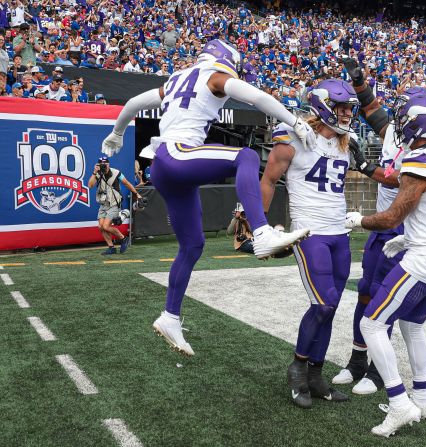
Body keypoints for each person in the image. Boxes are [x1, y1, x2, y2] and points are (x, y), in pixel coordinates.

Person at [100, 39, 315, 357]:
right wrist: (294, 120)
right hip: (178, 154)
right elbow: (256, 97)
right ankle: (261, 232)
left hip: (164, 167)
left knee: (193, 245)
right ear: (227, 60)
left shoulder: (175, 78)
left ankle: (170, 317)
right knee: (245, 157)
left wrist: (117, 133)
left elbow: (132, 103)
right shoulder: (216, 76)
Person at [344, 91, 426, 438]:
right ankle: (424, 397)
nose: (400, 123)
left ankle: (400, 403)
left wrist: (359, 220)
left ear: (420, 122)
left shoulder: (421, 160)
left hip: (424, 263)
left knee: (372, 325)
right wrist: (409, 237)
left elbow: (391, 217)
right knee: (413, 327)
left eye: (405, 118)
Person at [261, 78, 358, 409]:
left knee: (331, 309)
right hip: (309, 232)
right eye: (341, 107)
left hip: (339, 233)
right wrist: (260, 226)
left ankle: (316, 376)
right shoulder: (293, 138)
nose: (346, 114)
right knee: (323, 304)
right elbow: (268, 180)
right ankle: (298, 367)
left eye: (349, 108)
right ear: (321, 105)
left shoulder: (347, 144)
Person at [332, 60, 417, 397]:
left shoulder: (424, 144)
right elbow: (370, 108)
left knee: (384, 298)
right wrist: (358, 81)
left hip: (401, 230)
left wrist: (366, 166)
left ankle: (378, 371)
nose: (396, 115)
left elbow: (402, 179)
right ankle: (356, 360)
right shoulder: (395, 132)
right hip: (380, 228)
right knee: (364, 291)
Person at [87, 156, 141, 255]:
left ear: (109, 164)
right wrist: (95, 172)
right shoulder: (98, 174)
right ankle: (111, 247)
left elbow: (126, 183)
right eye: (102, 164)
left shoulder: (116, 173)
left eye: (106, 164)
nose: (104, 166)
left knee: (106, 226)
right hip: (103, 204)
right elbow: (90, 185)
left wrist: (136, 193)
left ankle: (123, 238)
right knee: (100, 227)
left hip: (114, 203)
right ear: (99, 165)